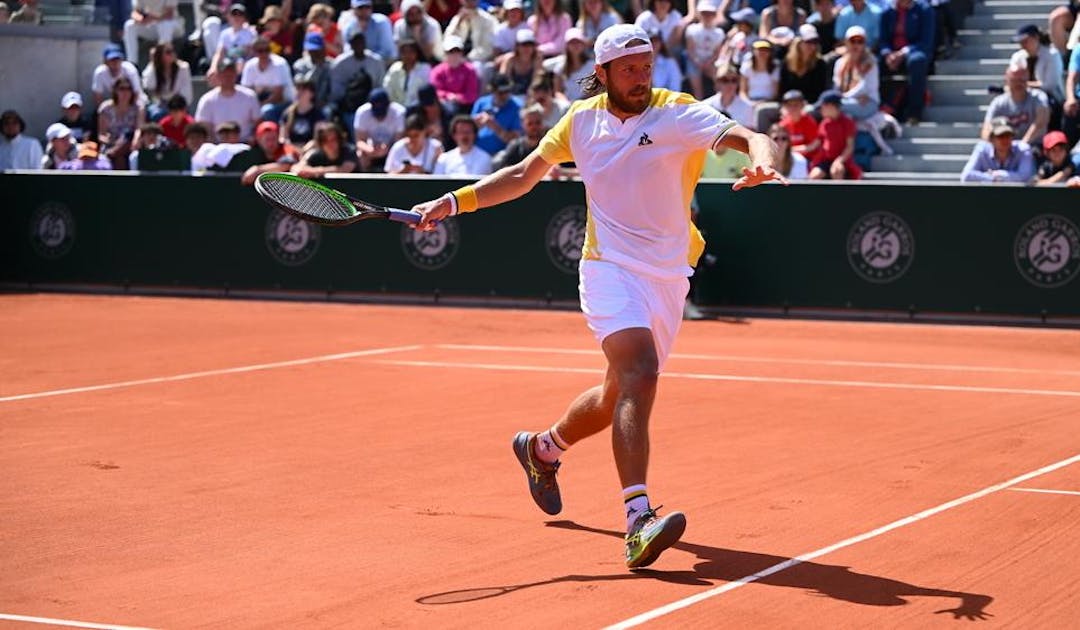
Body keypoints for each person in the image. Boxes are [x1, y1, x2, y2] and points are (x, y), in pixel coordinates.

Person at [409, 23, 785, 569]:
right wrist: (453, 201)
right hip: (606, 266)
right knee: (640, 373)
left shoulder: (677, 111)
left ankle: (542, 449)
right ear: (602, 73)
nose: (640, 79)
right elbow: (521, 175)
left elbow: (749, 136)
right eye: (629, 70)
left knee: (617, 398)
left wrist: (764, 159)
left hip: (667, 275)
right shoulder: (579, 122)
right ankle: (638, 520)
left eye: (647, 67)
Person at [879, 0, 934, 124]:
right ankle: (879, 107)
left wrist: (902, 53)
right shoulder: (887, 12)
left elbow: (926, 41)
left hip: (914, 51)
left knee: (917, 62)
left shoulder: (924, 10)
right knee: (874, 62)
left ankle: (914, 112)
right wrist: (888, 54)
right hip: (892, 53)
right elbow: (883, 41)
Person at [982, 65, 1049, 151]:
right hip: (1006, 148)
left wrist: (1023, 144)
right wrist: (991, 145)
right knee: (982, 148)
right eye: (1014, 80)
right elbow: (987, 128)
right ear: (1007, 81)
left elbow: (1041, 122)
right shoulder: (998, 102)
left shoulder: (1039, 97)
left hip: (1032, 145)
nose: (1018, 83)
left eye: (1022, 80)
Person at [1010, 24, 1065, 125]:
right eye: (1021, 42)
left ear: (1036, 38)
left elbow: (1049, 85)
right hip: (1023, 96)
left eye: (1026, 41)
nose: (1023, 45)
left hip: (1050, 97)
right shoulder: (1018, 57)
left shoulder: (1052, 55)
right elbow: (1013, 78)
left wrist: (1024, 84)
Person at [196, 57, 262, 140]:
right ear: (218, 75)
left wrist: (253, 138)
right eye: (224, 74)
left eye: (231, 73)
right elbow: (204, 127)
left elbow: (258, 123)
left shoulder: (249, 96)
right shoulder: (207, 100)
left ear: (236, 74)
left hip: (244, 145)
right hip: (217, 146)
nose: (228, 77)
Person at [961, 117, 1036, 183]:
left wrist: (998, 174)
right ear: (991, 139)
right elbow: (966, 176)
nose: (1005, 139)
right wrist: (992, 178)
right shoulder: (982, 149)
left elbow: (1025, 176)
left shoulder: (1023, 149)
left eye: (1008, 135)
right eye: (1000, 136)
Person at [808, 89, 861, 179]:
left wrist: (839, 161)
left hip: (843, 160)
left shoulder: (848, 122)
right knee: (814, 175)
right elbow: (814, 145)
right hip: (826, 161)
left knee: (836, 171)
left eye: (822, 107)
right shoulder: (824, 123)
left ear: (831, 106)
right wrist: (794, 149)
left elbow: (850, 147)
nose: (820, 110)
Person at [242, 37, 296, 122]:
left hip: (285, 103)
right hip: (261, 102)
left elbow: (279, 96)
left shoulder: (279, 64)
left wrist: (258, 107)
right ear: (254, 52)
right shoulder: (249, 66)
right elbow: (247, 91)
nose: (264, 54)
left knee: (266, 110)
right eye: (260, 51)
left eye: (267, 50)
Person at [98, 76, 146, 169]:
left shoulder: (138, 107)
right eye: (122, 89)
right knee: (120, 158)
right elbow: (101, 135)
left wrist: (135, 140)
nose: (125, 92)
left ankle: (112, 153)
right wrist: (111, 141)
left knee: (127, 137)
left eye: (128, 89)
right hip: (112, 143)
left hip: (131, 143)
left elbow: (139, 129)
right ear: (115, 91)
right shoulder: (105, 108)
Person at [833, 25, 879, 121]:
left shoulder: (870, 62)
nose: (856, 45)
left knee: (834, 106)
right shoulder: (840, 63)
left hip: (867, 102)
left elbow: (866, 88)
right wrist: (840, 97)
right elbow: (836, 85)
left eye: (860, 42)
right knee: (832, 106)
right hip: (846, 100)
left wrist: (843, 97)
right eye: (852, 41)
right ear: (846, 42)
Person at [354, 88, 406, 171]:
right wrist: (370, 149)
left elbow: (399, 141)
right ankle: (366, 179)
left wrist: (387, 149)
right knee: (360, 154)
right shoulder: (362, 112)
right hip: (371, 149)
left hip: (392, 148)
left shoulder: (399, 113)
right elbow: (359, 141)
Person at [684, 0, 726, 100]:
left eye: (710, 14)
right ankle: (699, 100)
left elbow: (717, 53)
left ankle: (721, 98)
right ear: (700, 14)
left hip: (711, 62)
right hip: (695, 61)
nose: (707, 16)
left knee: (720, 75)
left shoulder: (719, 32)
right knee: (694, 73)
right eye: (704, 13)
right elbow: (690, 50)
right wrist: (698, 63)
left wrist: (708, 63)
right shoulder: (691, 29)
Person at [471, 74, 523, 155]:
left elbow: (515, 140)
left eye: (507, 91)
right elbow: (469, 131)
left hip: (503, 155)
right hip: (477, 152)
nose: (505, 95)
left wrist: (494, 126)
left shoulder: (517, 106)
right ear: (492, 90)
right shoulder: (481, 103)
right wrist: (475, 125)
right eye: (501, 92)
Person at [431, 36, 481, 115]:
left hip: (465, 107)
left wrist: (458, 98)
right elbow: (436, 90)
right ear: (445, 53)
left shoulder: (470, 70)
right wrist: (448, 96)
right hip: (444, 106)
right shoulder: (437, 71)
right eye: (451, 52)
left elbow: (472, 94)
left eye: (457, 51)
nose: (454, 55)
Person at [143, 42, 193, 121]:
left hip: (178, 104)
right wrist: (153, 63)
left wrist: (175, 105)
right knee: (156, 114)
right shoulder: (154, 69)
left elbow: (187, 95)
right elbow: (148, 84)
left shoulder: (183, 68)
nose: (172, 54)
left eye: (173, 51)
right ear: (160, 56)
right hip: (160, 105)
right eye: (168, 52)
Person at [780, 24, 828, 106]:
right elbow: (782, 89)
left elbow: (820, 91)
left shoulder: (820, 64)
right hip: (789, 105)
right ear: (798, 43)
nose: (812, 46)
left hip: (811, 105)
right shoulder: (787, 63)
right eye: (808, 42)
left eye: (815, 42)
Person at [544, 27, 594, 102]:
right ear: (567, 46)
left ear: (583, 44)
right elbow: (557, 91)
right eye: (572, 42)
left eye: (578, 42)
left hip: (588, 104)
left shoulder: (592, 66)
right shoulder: (561, 66)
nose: (575, 45)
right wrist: (566, 103)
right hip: (568, 107)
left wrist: (580, 103)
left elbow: (595, 91)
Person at [292, 121, 358, 177]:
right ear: (320, 142)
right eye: (325, 140)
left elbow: (344, 169)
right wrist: (302, 170)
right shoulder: (314, 155)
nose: (330, 143)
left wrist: (315, 171)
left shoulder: (349, 151)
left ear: (339, 139)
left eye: (333, 139)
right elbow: (297, 168)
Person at [492, 103, 546, 169]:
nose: (534, 127)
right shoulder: (516, 147)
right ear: (522, 124)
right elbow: (503, 168)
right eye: (530, 124)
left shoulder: (551, 144)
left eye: (538, 122)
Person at [444, 0, 499, 65]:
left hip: (480, 61)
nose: (469, 2)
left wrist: (467, 59)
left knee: (477, 67)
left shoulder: (488, 20)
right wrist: (458, 23)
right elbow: (447, 40)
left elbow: (486, 49)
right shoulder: (457, 19)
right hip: (457, 58)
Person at [704, 63, 756, 130]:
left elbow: (750, 133)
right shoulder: (706, 106)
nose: (730, 84)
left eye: (734, 80)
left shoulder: (747, 107)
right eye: (725, 80)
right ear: (717, 82)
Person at [384, 39, 433, 108]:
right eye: (404, 52)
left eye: (411, 52)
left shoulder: (424, 69)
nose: (407, 55)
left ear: (417, 53)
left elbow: (426, 92)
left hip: (418, 108)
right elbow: (387, 89)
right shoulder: (394, 68)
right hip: (396, 108)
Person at [280, 79, 324, 151]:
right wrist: (292, 149)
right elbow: (283, 138)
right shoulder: (287, 113)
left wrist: (304, 149)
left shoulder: (318, 115)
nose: (299, 93)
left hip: (310, 151)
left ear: (312, 94)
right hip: (290, 151)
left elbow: (317, 139)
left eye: (303, 90)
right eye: (297, 89)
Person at [778, 89, 820, 159]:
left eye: (796, 105)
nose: (793, 108)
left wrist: (792, 150)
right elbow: (779, 146)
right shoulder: (783, 125)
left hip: (807, 158)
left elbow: (814, 145)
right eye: (789, 105)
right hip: (789, 159)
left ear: (802, 106)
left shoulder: (809, 122)